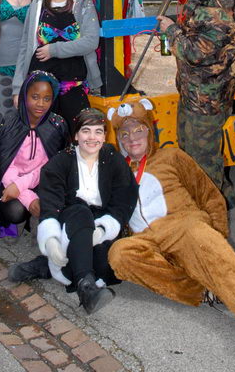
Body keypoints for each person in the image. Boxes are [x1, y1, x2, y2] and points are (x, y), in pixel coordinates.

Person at [107, 99, 235, 354]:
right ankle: (202, 291)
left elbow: (210, 196)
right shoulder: (116, 172)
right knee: (119, 254)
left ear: (150, 130)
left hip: (183, 225)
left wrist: (216, 236)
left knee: (197, 234)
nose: (132, 138)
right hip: (146, 238)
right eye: (124, 134)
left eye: (138, 130)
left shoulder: (172, 156)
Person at [156, 0, 235, 206]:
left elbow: (194, 53)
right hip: (192, 91)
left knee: (203, 159)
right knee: (190, 148)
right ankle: (225, 197)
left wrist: (171, 30)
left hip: (207, 99)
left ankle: (211, 209)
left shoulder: (219, 15)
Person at [35, 108, 139, 314]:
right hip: (71, 219)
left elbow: (123, 199)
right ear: (76, 135)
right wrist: (51, 239)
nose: (92, 137)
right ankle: (86, 288)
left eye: (98, 131)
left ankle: (42, 266)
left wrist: (103, 229)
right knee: (81, 212)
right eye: (86, 131)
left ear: (104, 136)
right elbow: (50, 202)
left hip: (100, 221)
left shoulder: (113, 158)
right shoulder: (61, 161)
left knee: (105, 268)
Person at [13, 0, 101, 125]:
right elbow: (25, 47)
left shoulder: (83, 3)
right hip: (40, 87)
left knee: (78, 132)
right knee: (43, 134)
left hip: (73, 84)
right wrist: (17, 89)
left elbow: (91, 41)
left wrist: (53, 50)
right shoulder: (36, 5)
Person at [0, 71, 68, 238]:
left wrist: (25, 188)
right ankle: (15, 220)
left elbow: (53, 166)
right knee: (15, 211)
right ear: (24, 96)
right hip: (11, 181)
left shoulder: (57, 125)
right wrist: (28, 198)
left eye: (47, 99)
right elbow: (5, 166)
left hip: (44, 179)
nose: (41, 104)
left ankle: (48, 226)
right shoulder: (8, 124)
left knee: (60, 202)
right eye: (35, 97)